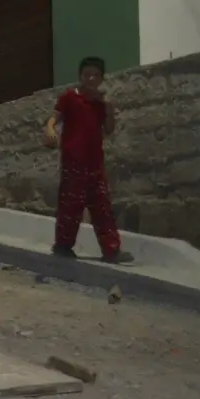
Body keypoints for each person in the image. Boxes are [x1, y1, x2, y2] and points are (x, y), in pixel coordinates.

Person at [43, 56, 133, 264]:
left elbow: (109, 130)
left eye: (95, 75)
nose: (90, 79)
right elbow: (54, 117)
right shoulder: (70, 97)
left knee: (102, 207)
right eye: (86, 74)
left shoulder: (101, 104)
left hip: (94, 164)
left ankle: (111, 251)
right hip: (73, 161)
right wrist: (50, 129)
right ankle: (63, 246)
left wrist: (110, 111)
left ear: (101, 78)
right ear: (80, 76)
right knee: (70, 206)